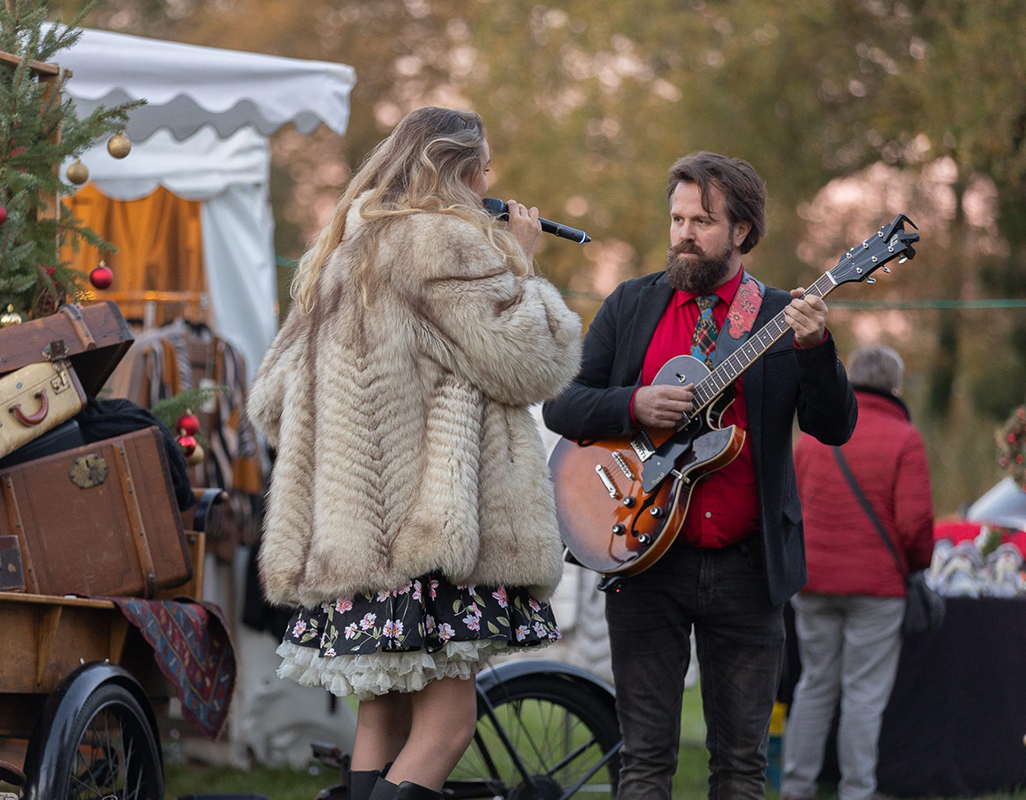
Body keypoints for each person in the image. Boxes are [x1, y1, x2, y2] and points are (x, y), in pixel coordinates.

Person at [247, 106, 582, 800]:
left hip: (356, 544)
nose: (490, 181)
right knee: (447, 729)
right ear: (461, 171)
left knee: (383, 722)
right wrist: (520, 256)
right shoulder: (447, 247)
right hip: (436, 535)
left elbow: (273, 403)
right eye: (484, 168)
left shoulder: (338, 253)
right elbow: (533, 362)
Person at [542, 151, 858, 799]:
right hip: (642, 554)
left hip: (748, 570)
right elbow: (562, 402)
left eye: (703, 221)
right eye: (677, 218)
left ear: (742, 231)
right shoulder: (631, 306)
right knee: (644, 757)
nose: (684, 233)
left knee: (741, 764)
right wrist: (634, 404)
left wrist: (815, 350)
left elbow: (834, 427)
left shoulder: (776, 316)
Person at [780, 345, 934, 800]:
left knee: (813, 684)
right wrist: (918, 568)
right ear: (895, 387)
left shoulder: (810, 438)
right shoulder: (905, 439)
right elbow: (915, 525)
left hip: (812, 581)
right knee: (864, 692)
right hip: (877, 587)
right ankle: (857, 790)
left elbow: (791, 508)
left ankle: (796, 786)